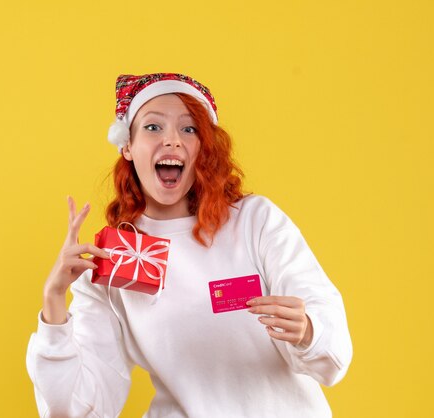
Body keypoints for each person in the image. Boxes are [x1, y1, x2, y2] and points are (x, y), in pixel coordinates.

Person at [26, 73, 353, 418]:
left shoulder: (254, 222)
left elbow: (332, 357)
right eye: (153, 127)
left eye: (189, 129)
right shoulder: (115, 258)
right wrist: (53, 304)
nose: (172, 141)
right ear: (127, 145)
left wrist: (307, 330)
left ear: (204, 147)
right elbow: (76, 410)